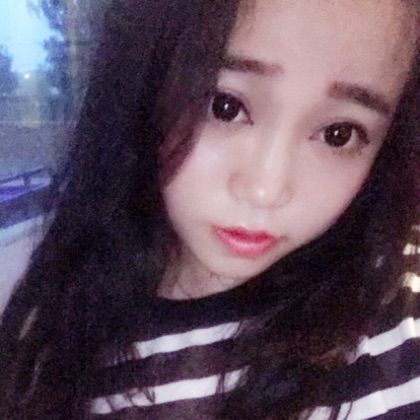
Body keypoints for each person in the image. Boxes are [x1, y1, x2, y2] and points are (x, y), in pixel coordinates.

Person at [0, 0, 419, 418]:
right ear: (143, 87)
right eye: (224, 106)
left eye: (338, 134)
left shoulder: (395, 319)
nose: (265, 190)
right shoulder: (50, 344)